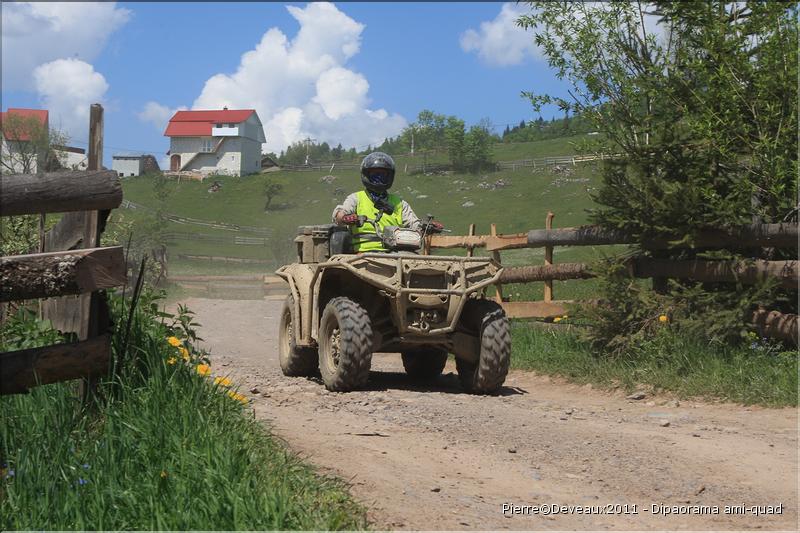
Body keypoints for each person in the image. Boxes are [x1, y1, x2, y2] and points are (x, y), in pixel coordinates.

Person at [332, 151, 441, 252]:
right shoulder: (356, 198)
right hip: (363, 254)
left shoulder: (399, 203)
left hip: (396, 253)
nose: (379, 178)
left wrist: (427, 227)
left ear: (390, 177)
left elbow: (415, 224)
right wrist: (345, 218)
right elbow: (340, 214)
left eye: (383, 175)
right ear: (366, 175)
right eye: (375, 174)